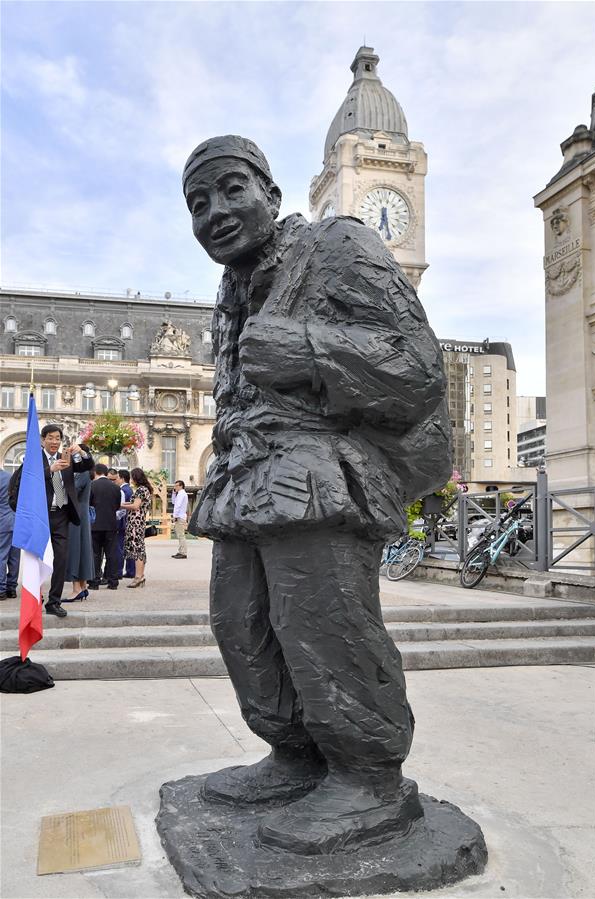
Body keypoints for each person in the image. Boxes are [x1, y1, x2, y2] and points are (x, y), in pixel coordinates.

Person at [181, 136, 451, 853]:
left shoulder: (338, 245)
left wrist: (303, 348)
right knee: (240, 624)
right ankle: (295, 754)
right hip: (246, 480)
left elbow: (419, 367)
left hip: (318, 477)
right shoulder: (232, 289)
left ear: (271, 195)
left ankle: (368, 776)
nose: (215, 212)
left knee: (322, 622)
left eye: (231, 190)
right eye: (198, 203)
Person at [8, 424, 94, 618]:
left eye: (58, 438)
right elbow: (24, 483)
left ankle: (54, 602)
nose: (54, 442)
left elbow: (87, 466)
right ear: (42, 440)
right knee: (37, 559)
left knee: (61, 559)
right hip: (40, 515)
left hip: (61, 515)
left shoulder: (67, 458)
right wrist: (50, 470)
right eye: (50, 438)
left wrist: (82, 452)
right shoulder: (33, 459)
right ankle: (34, 598)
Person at [64, 445, 94, 602]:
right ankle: (82, 587)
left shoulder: (82, 473)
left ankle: (77, 588)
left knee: (75, 549)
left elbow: (71, 491)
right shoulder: (83, 472)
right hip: (80, 513)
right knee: (81, 549)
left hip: (76, 514)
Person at [88, 464, 122, 590]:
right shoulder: (116, 487)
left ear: (95, 472)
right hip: (111, 524)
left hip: (95, 524)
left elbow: (88, 504)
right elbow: (117, 505)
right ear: (106, 473)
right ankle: (113, 581)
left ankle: (94, 581)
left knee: (95, 554)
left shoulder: (92, 486)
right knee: (111, 554)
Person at [122, 467, 153, 588]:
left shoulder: (140, 490)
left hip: (135, 523)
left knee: (137, 550)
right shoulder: (146, 489)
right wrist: (123, 504)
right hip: (140, 523)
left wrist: (121, 506)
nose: (131, 480)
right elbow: (135, 503)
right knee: (140, 548)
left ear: (136, 478)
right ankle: (141, 575)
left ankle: (138, 577)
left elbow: (135, 506)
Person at [0, 470, 20, 601]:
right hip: (16, 521)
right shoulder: (10, 476)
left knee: (1, 555)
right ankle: (11, 588)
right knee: (14, 556)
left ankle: (1, 589)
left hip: (2, 521)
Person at [115, 469, 135, 578]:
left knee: (119, 548)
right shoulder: (129, 489)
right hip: (128, 522)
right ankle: (131, 571)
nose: (116, 480)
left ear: (122, 478)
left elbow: (121, 508)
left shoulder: (123, 490)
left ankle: (118, 571)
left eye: (117, 477)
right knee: (128, 546)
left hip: (122, 522)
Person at [171, 480, 188, 559]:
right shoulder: (180, 494)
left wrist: (175, 516)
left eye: (176, 486)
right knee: (180, 535)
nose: (175, 487)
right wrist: (174, 493)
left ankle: (183, 552)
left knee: (181, 535)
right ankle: (181, 551)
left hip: (180, 517)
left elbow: (178, 506)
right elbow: (173, 502)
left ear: (181, 486)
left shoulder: (182, 494)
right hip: (180, 516)